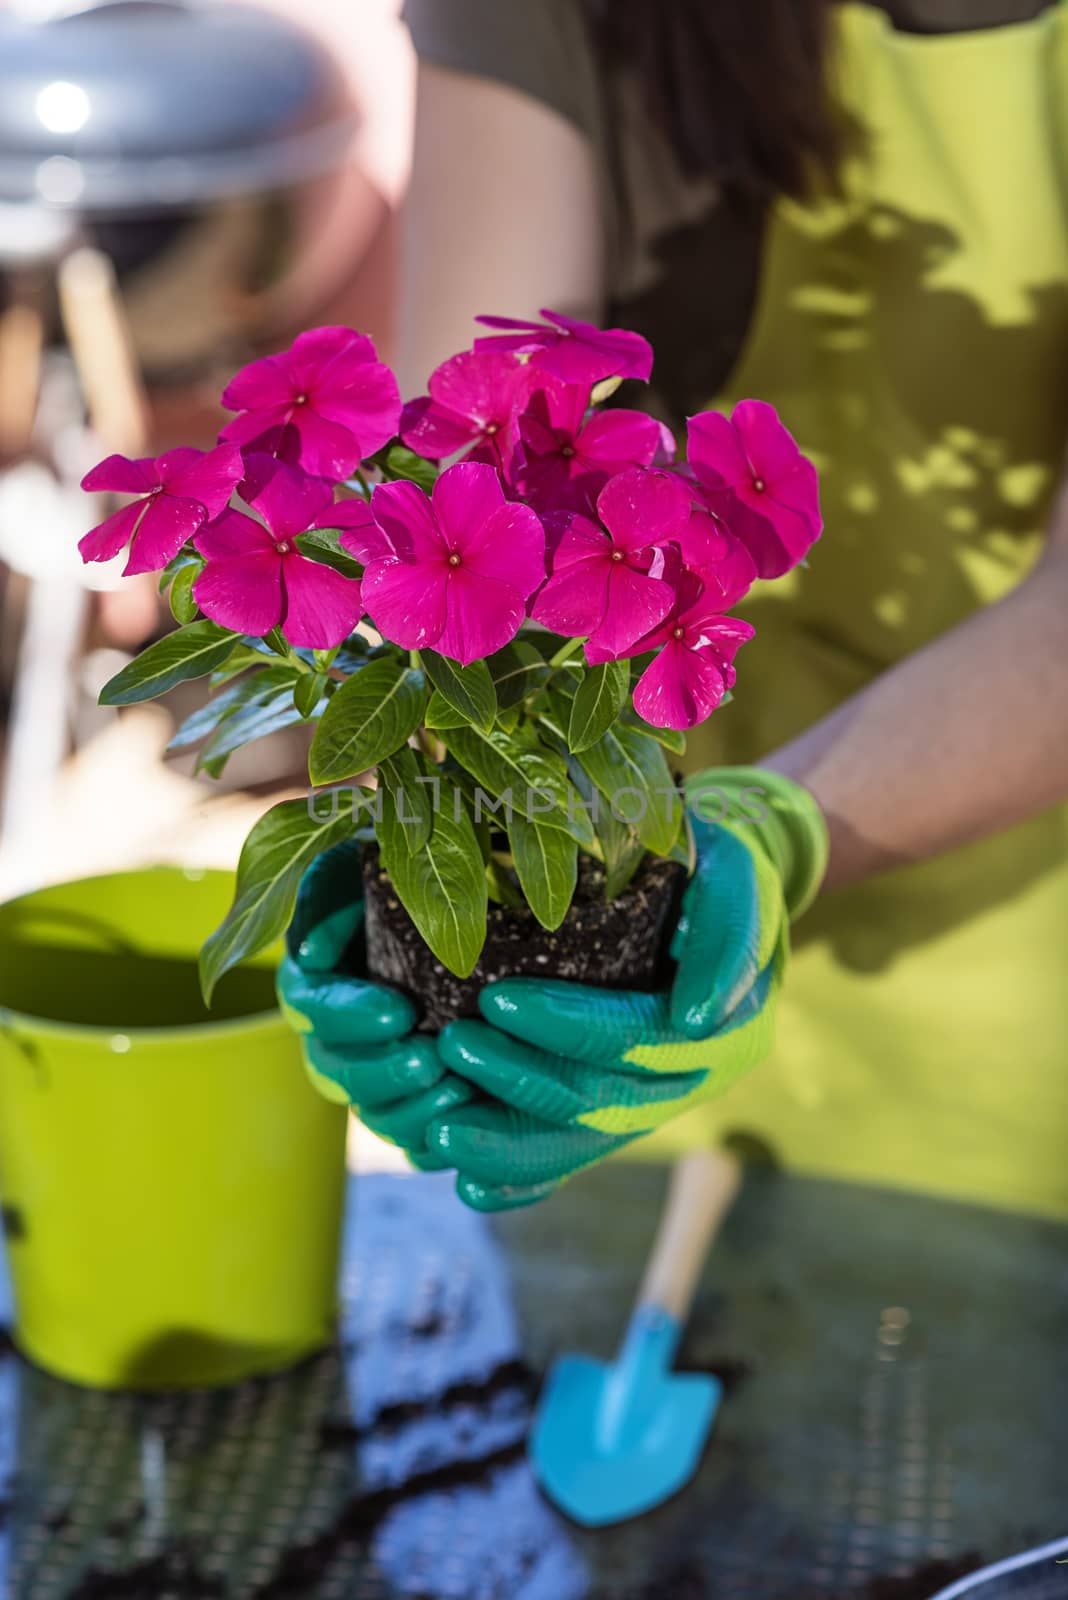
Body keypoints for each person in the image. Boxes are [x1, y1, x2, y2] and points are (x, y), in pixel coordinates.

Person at [280, 0, 1068, 1217]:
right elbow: (466, 496)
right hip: (599, 1010)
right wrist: (416, 864)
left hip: (1006, 1059)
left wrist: (773, 834)